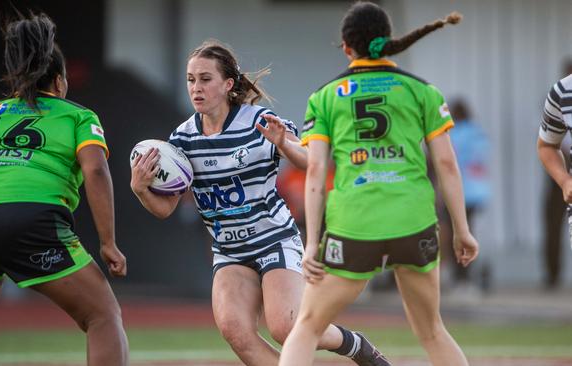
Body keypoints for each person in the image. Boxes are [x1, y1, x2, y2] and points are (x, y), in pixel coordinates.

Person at [130, 39, 388, 366]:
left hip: (273, 240)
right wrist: (141, 189)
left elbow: (311, 162)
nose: (196, 87)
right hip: (229, 251)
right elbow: (166, 209)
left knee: (286, 327)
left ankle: (354, 345)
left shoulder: (258, 121)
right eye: (190, 79)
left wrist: (285, 145)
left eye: (205, 79)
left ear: (227, 84)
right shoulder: (182, 139)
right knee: (236, 331)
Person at [279, 3, 479, 366]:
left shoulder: (324, 96)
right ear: (389, 41)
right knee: (432, 331)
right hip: (413, 221)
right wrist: (462, 230)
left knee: (306, 327)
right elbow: (447, 164)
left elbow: (316, 172)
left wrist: (310, 243)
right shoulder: (423, 91)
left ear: (345, 46)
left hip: (355, 224)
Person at [0, 14, 128, 366]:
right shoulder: (78, 116)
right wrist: (108, 242)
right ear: (60, 82)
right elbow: (96, 170)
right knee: (102, 315)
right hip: (29, 220)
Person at [438, 99, 490, 292]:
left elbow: (447, 163)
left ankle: (462, 278)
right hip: (479, 191)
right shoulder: (478, 133)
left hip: (460, 192)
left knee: (456, 235)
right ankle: (466, 277)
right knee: (469, 232)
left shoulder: (454, 134)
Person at [538, 60, 572, 287]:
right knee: (551, 225)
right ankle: (552, 276)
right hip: (564, 175)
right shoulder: (561, 92)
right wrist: (564, 180)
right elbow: (547, 144)